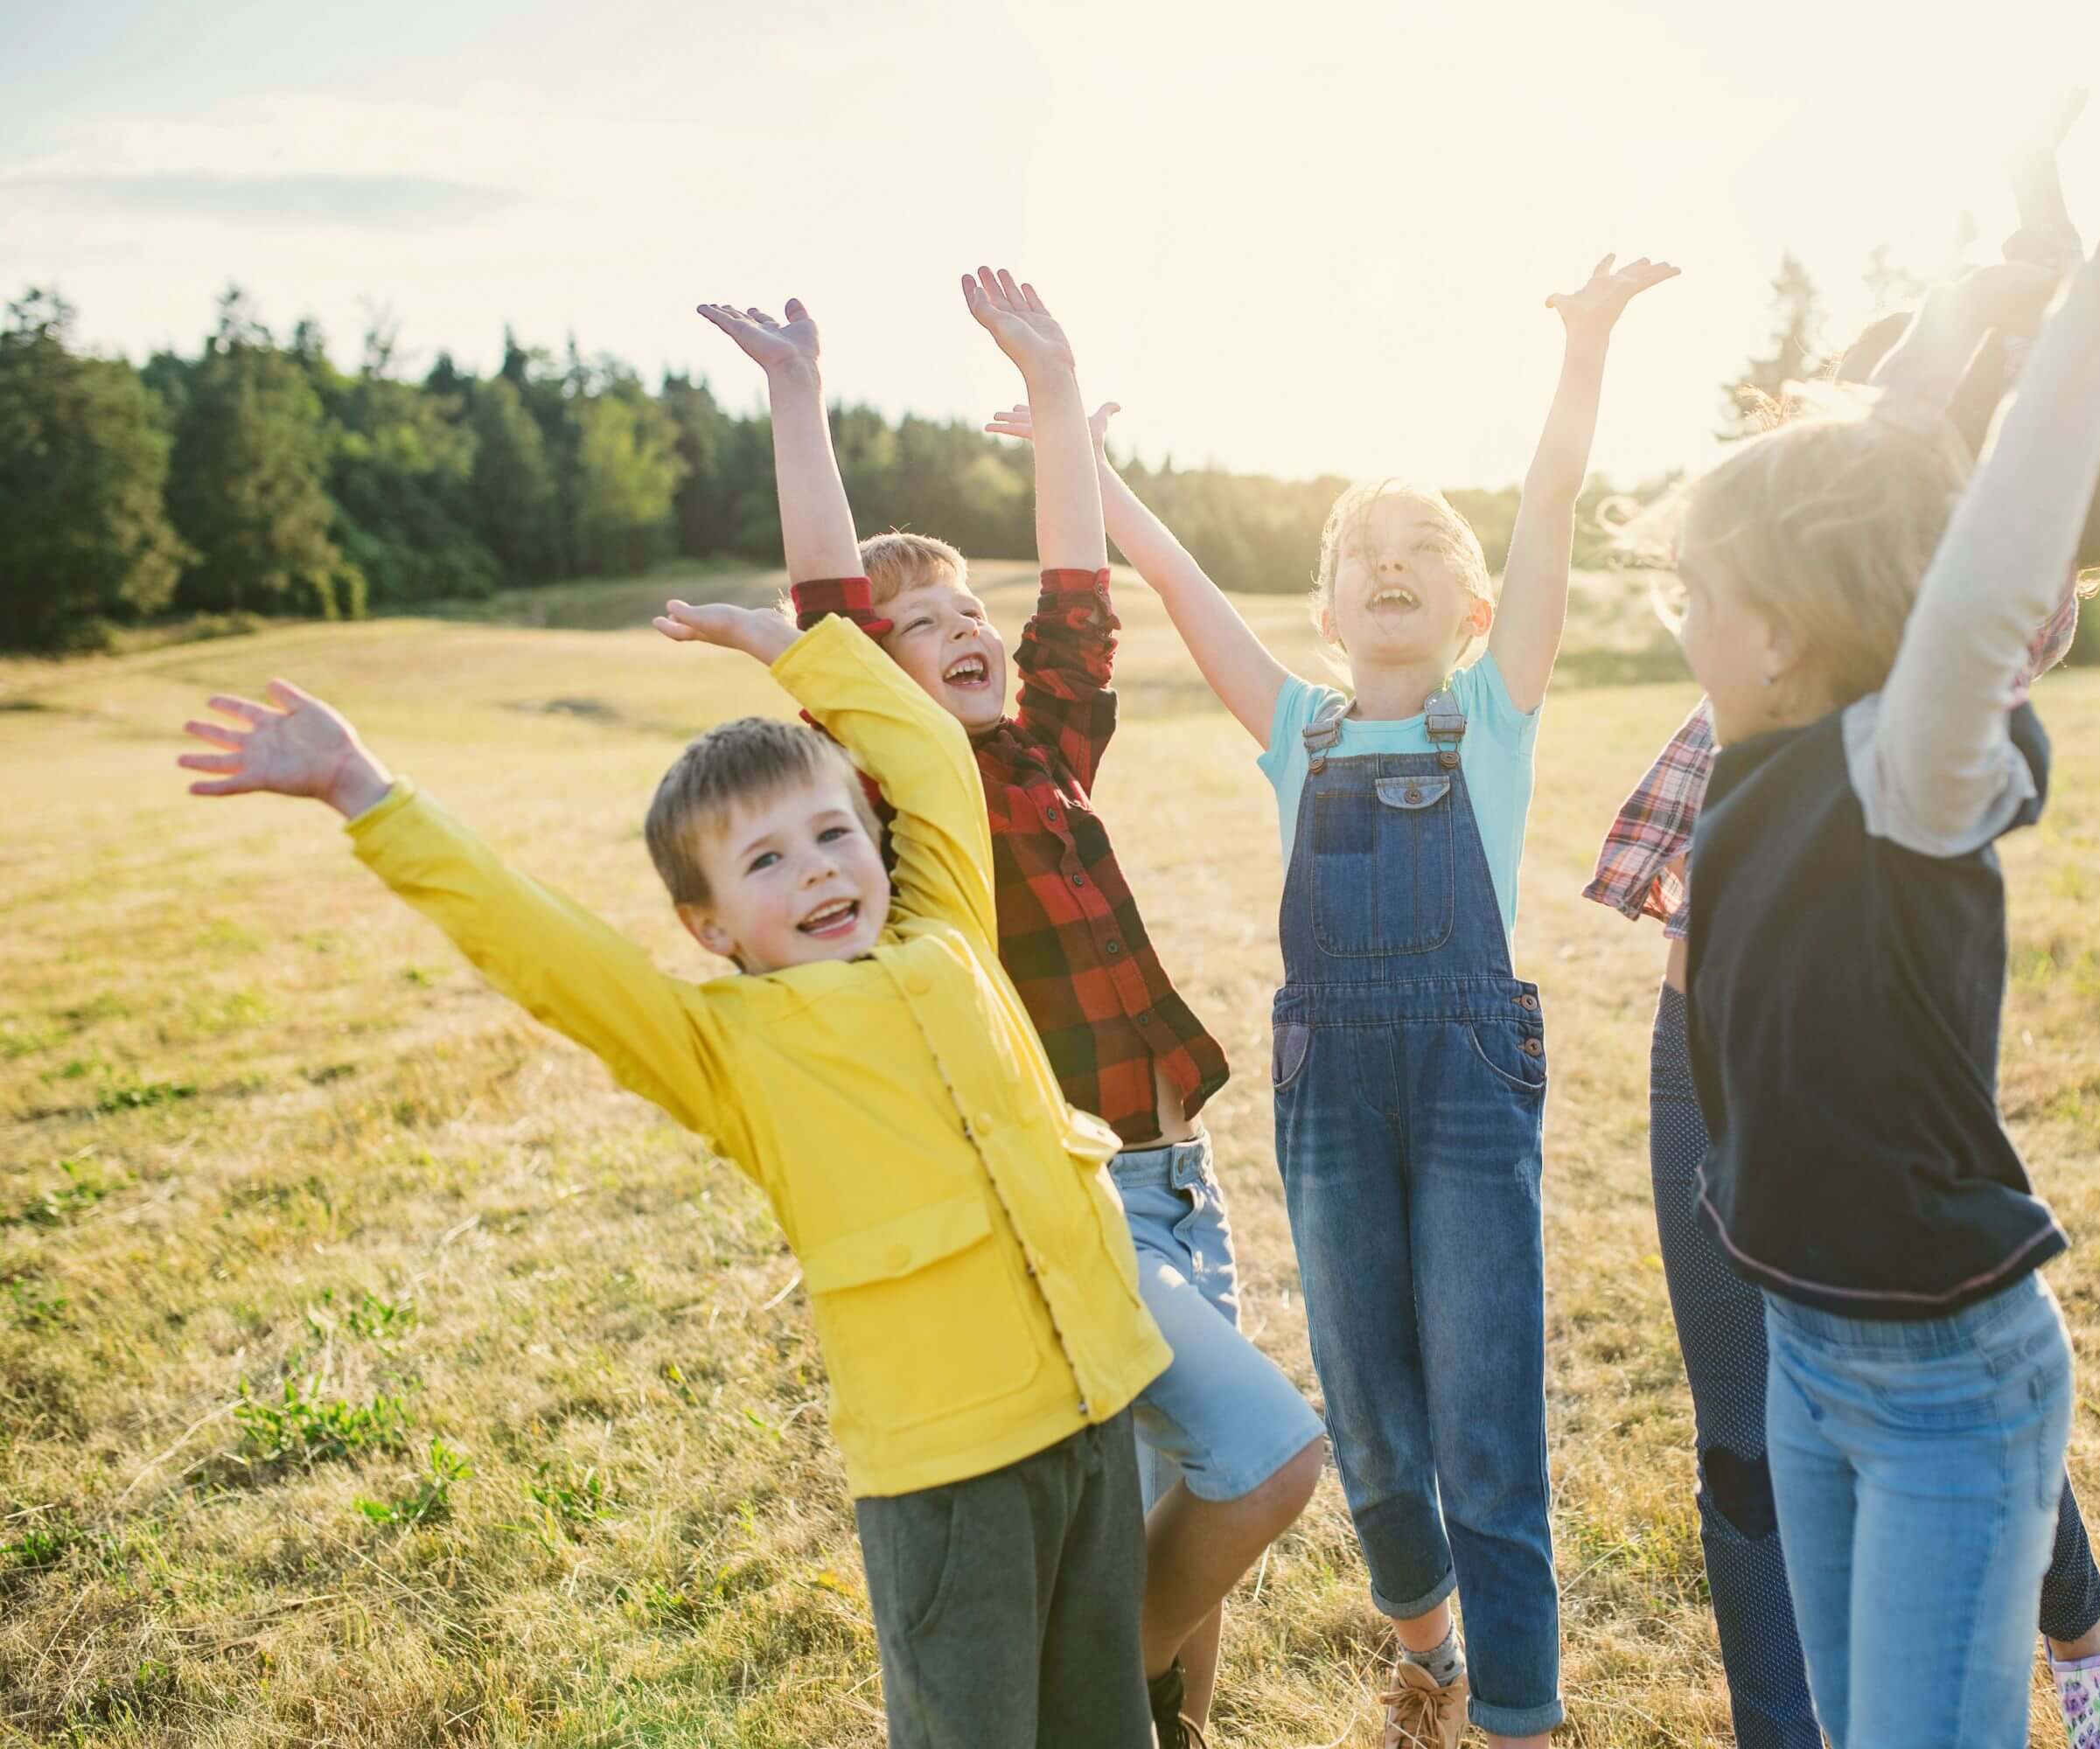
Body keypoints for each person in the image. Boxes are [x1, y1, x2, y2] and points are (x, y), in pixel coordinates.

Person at [176, 264, 1181, 1749]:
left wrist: (800, 649)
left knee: (1106, 1727)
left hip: (1098, 1421)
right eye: (768, 861)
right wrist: (366, 794)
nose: (823, 870)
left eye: (836, 833)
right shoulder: (730, 1047)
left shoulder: (946, 921)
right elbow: (550, 953)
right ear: (711, 927)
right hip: (950, 1473)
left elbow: (912, 739)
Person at [1672, 101, 2100, 1749]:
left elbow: (1967, 585)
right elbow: (1869, 467)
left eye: (1705, 592)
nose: (1679, 616)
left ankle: (2093, 1642)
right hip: (1817, 1362)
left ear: (1791, 635)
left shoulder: (1907, 767)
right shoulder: (1760, 757)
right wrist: (1991, 288)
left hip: (1946, 1387)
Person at [992, 251, 1679, 1746]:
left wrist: (1585, 347)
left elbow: (1551, 503)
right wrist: (1073, 449)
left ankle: (1522, 1716)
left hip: (1467, 1082)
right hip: (1329, 1096)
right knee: (1370, 1432)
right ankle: (1424, 1639)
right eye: (1361, 546)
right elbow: (1167, 578)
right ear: (1325, 603)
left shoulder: (1489, 716)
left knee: (1487, 1431)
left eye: (1425, 543)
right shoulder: (1296, 728)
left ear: (1474, 604)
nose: (1389, 561)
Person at [698, 272, 1326, 1749]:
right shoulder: (914, 809)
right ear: (879, 683)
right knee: (1261, 1461)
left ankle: (1170, 1724)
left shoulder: (1050, 745)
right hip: (1083, 1195)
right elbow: (828, 612)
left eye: (969, 608)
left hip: (1188, 1183)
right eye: (922, 625)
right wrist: (801, 395)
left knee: (1178, 1509)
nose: (963, 629)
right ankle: (1085, 1707)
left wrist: (1055, 396)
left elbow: (1080, 591)